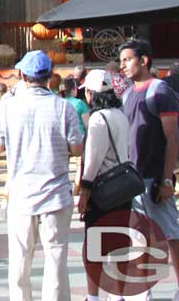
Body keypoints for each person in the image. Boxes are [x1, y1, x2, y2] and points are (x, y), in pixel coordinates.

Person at [0, 51, 82, 301]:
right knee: (56, 257)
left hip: (21, 193)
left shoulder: (8, 107)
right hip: (56, 193)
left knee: (20, 258)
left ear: (22, 76)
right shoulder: (63, 107)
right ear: (49, 78)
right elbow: (77, 149)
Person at [119, 39, 179, 291]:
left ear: (144, 60)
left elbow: (173, 138)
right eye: (121, 61)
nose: (123, 66)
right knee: (139, 238)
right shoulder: (127, 94)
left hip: (154, 179)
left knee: (171, 235)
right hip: (133, 180)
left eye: (128, 59)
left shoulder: (160, 91)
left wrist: (167, 179)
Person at [75, 69, 132, 301]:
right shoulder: (121, 114)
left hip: (103, 188)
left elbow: (93, 158)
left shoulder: (98, 119)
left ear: (90, 93)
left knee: (94, 245)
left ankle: (94, 295)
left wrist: (84, 190)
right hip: (123, 185)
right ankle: (118, 295)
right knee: (119, 243)